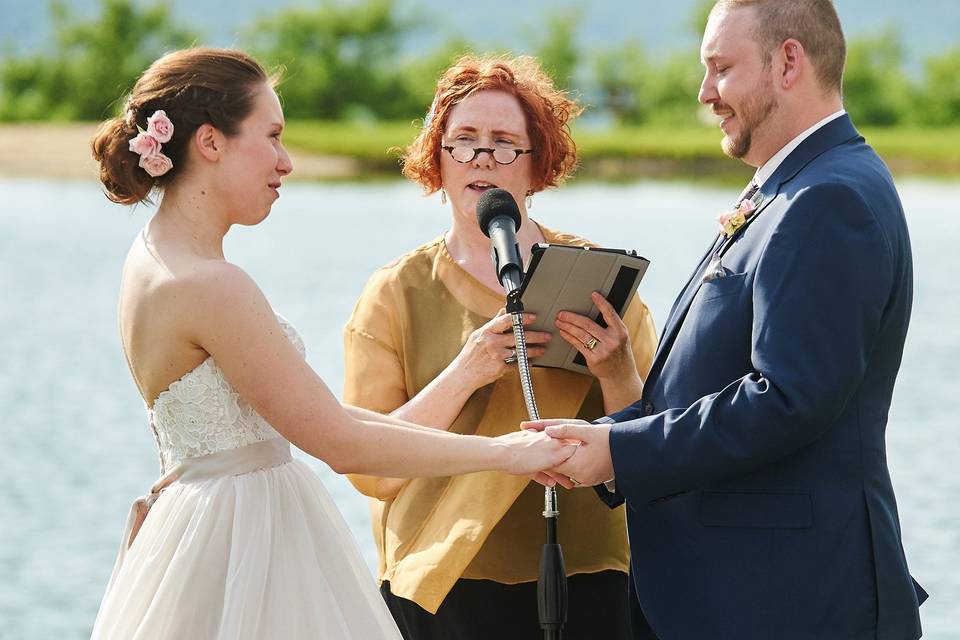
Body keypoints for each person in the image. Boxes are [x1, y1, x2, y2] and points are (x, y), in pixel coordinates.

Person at [88, 47, 576, 640]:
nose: (285, 161)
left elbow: (322, 418)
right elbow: (341, 443)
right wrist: (508, 455)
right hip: (242, 542)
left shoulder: (151, 255)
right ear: (211, 143)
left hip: (201, 525)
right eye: (271, 136)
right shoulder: (212, 284)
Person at [528, 1, 928, 638]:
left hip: (783, 601)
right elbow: (721, 381)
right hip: (739, 594)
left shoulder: (827, 198)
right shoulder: (796, 186)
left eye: (720, 68)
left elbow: (789, 398)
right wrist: (604, 436)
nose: (704, 92)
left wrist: (620, 449)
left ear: (788, 62)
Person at [342, 54, 658, 640]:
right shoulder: (394, 292)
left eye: (505, 142)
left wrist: (615, 371)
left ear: (537, 165)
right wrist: (465, 372)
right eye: (463, 141)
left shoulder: (603, 279)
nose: (483, 157)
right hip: (442, 588)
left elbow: (658, 438)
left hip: (593, 577)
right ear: (437, 158)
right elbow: (368, 468)